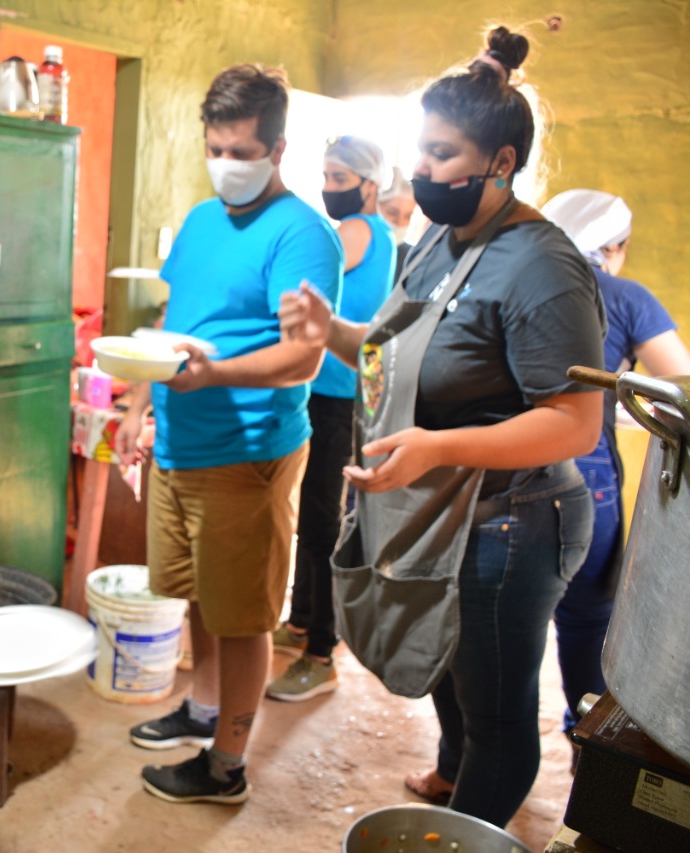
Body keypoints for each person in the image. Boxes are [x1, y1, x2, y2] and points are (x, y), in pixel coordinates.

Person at [279, 26, 604, 828]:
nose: (422, 171)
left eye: (444, 155)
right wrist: (334, 332)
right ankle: (453, 769)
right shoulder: (439, 238)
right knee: (449, 664)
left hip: (512, 520)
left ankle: (467, 829)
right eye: (419, 151)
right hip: (442, 506)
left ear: (502, 163)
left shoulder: (542, 266)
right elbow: (404, 353)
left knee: (497, 708)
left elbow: (574, 423)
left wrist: (439, 446)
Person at [113, 63, 343, 804]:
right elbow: (173, 320)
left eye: (243, 152)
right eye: (216, 148)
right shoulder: (202, 219)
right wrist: (138, 407)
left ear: (277, 151)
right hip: (181, 438)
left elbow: (302, 356)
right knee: (201, 597)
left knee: (244, 615)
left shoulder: (305, 235)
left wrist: (213, 375)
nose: (226, 166)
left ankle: (225, 765)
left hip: (247, 450)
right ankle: (204, 707)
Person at [541, 189, 690, 738]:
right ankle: (589, 744)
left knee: (497, 632)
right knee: (584, 622)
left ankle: (457, 766)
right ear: (614, 247)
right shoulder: (624, 296)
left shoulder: (522, 285)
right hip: (586, 480)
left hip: (501, 478)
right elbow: (680, 390)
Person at [267, 135, 396, 701]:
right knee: (315, 516)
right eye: (324, 176)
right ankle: (300, 622)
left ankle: (321, 652)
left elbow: (305, 282)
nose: (328, 188)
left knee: (320, 521)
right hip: (342, 389)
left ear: (370, 185)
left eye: (340, 178)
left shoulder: (356, 231)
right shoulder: (386, 232)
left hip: (336, 390)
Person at [378, 167, 419, 275]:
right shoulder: (355, 248)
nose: (400, 223)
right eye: (392, 213)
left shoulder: (413, 258)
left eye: (408, 216)